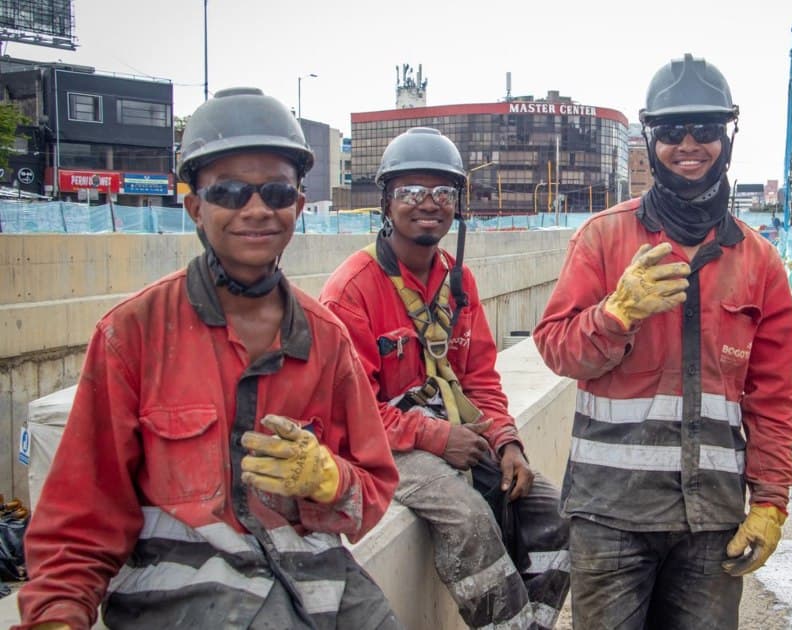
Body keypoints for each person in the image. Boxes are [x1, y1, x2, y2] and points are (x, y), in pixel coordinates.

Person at [15, 87, 402, 630]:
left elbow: (375, 492)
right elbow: (79, 520)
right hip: (180, 596)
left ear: (297, 204)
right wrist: (58, 615)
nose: (257, 209)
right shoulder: (134, 335)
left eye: (275, 191)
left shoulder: (326, 340)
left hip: (318, 584)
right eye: (230, 193)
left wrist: (327, 479)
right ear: (195, 206)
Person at [532, 53, 792, 629]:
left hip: (711, 521)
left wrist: (771, 502)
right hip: (610, 515)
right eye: (672, 131)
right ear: (651, 138)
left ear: (726, 137)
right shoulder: (603, 239)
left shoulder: (759, 261)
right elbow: (556, 348)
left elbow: (771, 398)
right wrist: (616, 314)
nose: (689, 144)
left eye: (705, 130)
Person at [319, 127, 569, 630]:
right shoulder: (351, 292)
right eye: (411, 192)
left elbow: (479, 378)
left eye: (442, 193)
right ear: (387, 203)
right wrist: (436, 437)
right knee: (469, 519)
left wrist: (507, 442)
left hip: (450, 433)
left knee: (552, 514)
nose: (427, 204)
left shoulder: (459, 283)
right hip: (385, 445)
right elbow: (354, 410)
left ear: (459, 204)